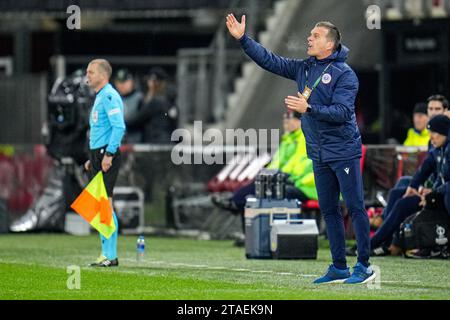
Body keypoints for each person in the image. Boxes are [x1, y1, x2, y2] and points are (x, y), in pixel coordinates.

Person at [226, 14, 374, 284]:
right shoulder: (304, 68)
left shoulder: (345, 75)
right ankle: (339, 266)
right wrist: (244, 40)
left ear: (329, 45)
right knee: (328, 210)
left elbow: (342, 112)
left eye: (315, 36)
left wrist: (309, 109)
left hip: (343, 150)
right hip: (319, 151)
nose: (309, 38)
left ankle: (364, 265)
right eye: (310, 34)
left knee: (354, 208)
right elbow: (271, 61)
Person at [358, 115, 450, 257]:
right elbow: (424, 169)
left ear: (444, 132)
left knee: (403, 204)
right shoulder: (438, 148)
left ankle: (374, 243)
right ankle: (384, 243)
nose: (431, 137)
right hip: (434, 193)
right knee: (398, 192)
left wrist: (432, 193)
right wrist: (414, 187)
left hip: (440, 196)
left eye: (435, 133)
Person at [84, 59, 126, 267]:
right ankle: (106, 253)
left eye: (91, 72)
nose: (87, 76)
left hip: (105, 155)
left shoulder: (108, 96)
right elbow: (103, 130)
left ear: (103, 74)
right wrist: (91, 159)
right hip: (98, 155)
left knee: (104, 204)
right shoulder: (101, 96)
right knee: (98, 205)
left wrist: (108, 154)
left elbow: (119, 127)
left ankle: (110, 255)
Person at [127, 67, 177, 143]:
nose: (149, 83)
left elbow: (136, 121)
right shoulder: (169, 101)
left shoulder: (158, 102)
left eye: (151, 81)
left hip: (155, 143)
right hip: (168, 143)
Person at [113, 68, 143, 143]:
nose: (122, 85)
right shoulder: (112, 99)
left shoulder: (140, 98)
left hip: (135, 141)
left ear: (131, 81)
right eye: (119, 82)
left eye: (125, 81)